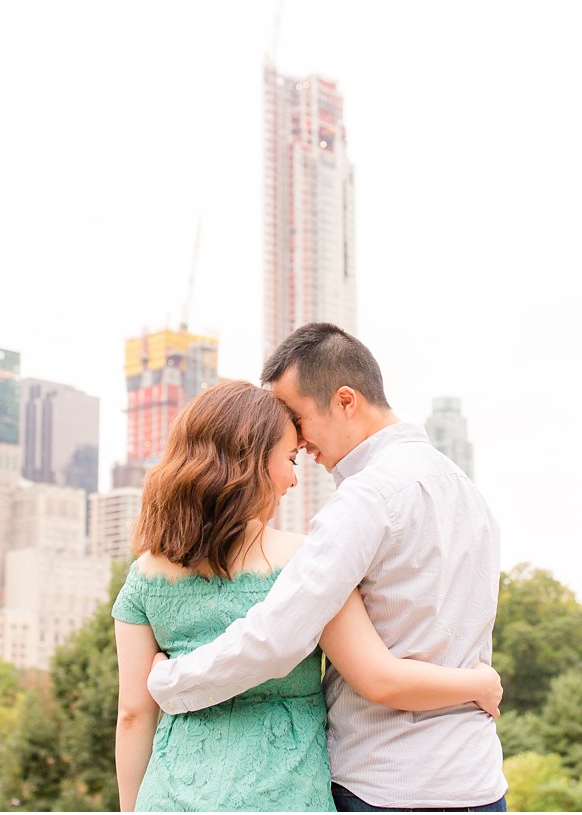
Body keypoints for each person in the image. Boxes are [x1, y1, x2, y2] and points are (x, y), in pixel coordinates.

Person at [147, 323, 507, 812]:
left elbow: (276, 637)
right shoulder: (468, 493)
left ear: (344, 401)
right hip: (480, 782)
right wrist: (481, 684)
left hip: (385, 785)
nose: (295, 437)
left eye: (296, 417)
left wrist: (173, 682)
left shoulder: (365, 500)